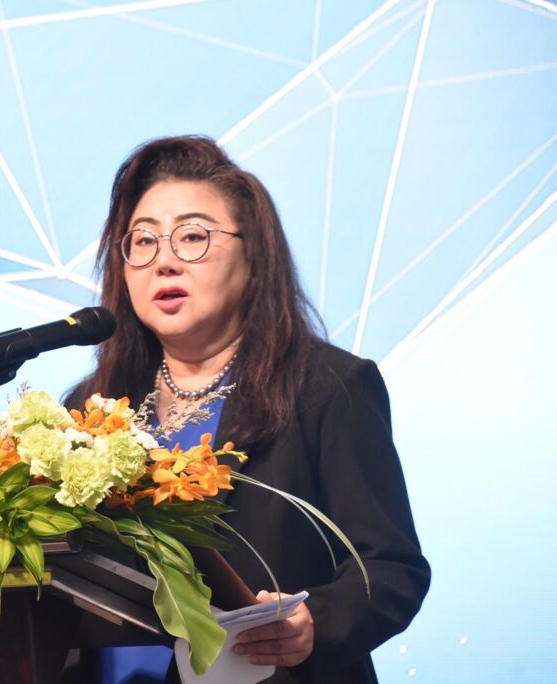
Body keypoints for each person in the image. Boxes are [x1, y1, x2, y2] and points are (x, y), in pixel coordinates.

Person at [65, 135, 430, 683]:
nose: (164, 261)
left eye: (192, 236)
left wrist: (313, 623)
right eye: (142, 241)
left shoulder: (327, 388)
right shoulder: (90, 408)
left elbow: (391, 569)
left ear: (254, 259)